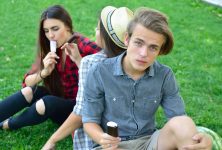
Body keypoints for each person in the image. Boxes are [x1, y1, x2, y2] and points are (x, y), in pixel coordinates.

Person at [82, 7, 212, 150]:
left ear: (160, 50)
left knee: (183, 123)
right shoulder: (99, 72)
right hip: (112, 145)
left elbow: (179, 119)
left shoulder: (164, 75)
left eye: (153, 48)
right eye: (138, 43)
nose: (144, 53)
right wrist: (102, 139)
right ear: (127, 39)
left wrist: (198, 139)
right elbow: (89, 121)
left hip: (149, 142)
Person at [42, 6, 134, 150]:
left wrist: (52, 140)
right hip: (134, 137)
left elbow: (81, 111)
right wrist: (79, 61)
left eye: (98, 29)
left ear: (106, 36)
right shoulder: (138, 62)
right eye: (46, 31)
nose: (95, 31)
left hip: (98, 141)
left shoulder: (91, 61)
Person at [0, 5, 100, 130]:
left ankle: (8, 124)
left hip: (78, 110)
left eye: (55, 29)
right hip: (59, 102)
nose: (50, 35)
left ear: (67, 26)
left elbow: (105, 77)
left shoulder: (86, 46)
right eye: (46, 31)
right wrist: (45, 72)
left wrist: (80, 61)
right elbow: (27, 82)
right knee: (29, 91)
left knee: (46, 102)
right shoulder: (50, 49)